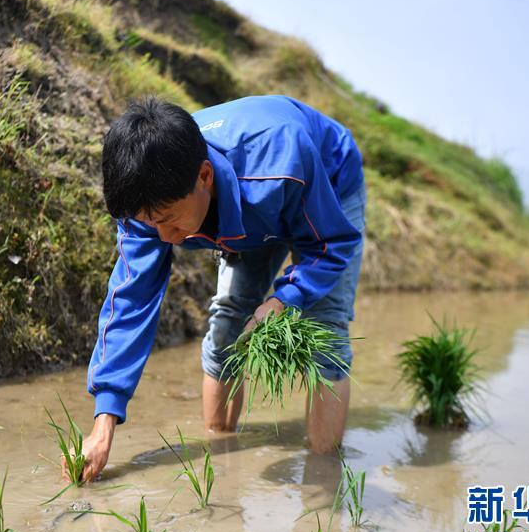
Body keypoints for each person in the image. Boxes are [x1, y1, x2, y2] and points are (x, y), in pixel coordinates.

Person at [72, 95, 366, 483]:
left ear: (205, 177)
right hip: (249, 205)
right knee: (229, 322)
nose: (164, 237)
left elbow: (330, 246)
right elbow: (131, 300)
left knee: (326, 329)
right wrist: (102, 425)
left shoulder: (281, 161)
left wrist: (284, 299)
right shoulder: (146, 199)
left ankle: (322, 476)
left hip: (322, 179)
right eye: (149, 224)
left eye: (168, 220)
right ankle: (223, 461)